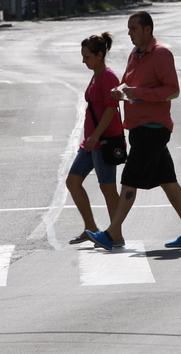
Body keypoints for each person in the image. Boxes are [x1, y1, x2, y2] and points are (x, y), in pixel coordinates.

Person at [86, 11, 181, 250]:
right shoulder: (135, 54)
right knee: (168, 180)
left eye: (133, 29)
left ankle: (112, 233)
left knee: (129, 180)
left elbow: (173, 90)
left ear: (147, 30)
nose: (129, 33)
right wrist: (121, 91)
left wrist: (138, 93)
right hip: (139, 127)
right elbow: (129, 83)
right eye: (129, 29)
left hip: (154, 127)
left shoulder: (161, 54)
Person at [67, 33, 122, 246]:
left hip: (104, 141)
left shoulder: (108, 77)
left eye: (87, 57)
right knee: (73, 182)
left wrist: (96, 136)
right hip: (91, 142)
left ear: (99, 55)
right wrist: (90, 138)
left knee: (108, 188)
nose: (83, 61)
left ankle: (116, 235)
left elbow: (111, 110)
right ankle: (90, 227)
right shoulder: (96, 75)